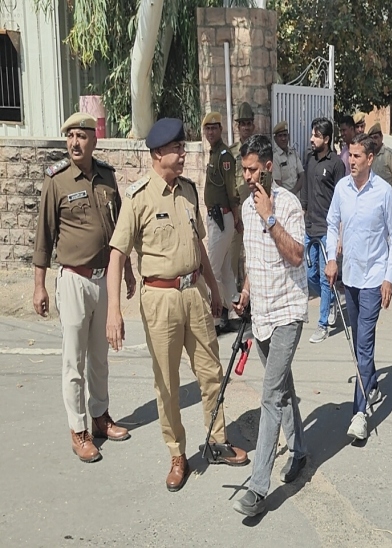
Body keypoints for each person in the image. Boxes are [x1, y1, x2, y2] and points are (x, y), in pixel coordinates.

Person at [106, 118, 248, 492]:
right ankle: (177, 454)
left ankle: (217, 440)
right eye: (177, 148)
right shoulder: (138, 198)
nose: (184, 153)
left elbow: (199, 244)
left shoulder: (188, 191)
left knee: (211, 371)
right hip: (160, 299)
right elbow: (117, 254)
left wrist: (213, 289)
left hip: (194, 293)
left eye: (183, 147)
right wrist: (114, 311)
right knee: (167, 383)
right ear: (158, 154)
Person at [33, 112, 134, 463]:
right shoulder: (56, 180)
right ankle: (78, 429)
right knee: (73, 360)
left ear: (94, 139)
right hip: (74, 279)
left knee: (100, 356)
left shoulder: (106, 176)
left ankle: (100, 416)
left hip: (104, 278)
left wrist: (128, 271)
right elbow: (44, 237)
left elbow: (119, 230)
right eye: (70, 136)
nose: (74, 143)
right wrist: (39, 286)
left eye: (81, 136)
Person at [231, 135, 309, 518]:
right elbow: (254, 258)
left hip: (287, 311)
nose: (247, 176)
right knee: (283, 389)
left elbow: (296, 256)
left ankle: (258, 489)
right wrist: (246, 291)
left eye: (252, 169)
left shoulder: (288, 204)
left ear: (267, 166)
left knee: (270, 395)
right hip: (261, 313)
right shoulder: (247, 207)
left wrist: (270, 217)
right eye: (243, 169)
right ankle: (300, 450)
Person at [325, 132, 392, 440]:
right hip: (350, 277)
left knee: (364, 344)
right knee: (359, 341)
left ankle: (360, 413)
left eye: (357, 156)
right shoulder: (342, 188)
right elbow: (332, 224)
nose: (351, 161)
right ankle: (370, 382)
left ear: (370, 159)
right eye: (350, 155)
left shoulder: (383, 192)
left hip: (373, 279)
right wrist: (331, 259)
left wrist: (388, 278)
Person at [300, 117, 346, 343]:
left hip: (328, 229)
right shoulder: (309, 158)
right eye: (312, 134)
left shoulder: (336, 164)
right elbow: (305, 188)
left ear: (326, 139)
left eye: (316, 136)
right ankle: (332, 300)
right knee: (310, 275)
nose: (312, 139)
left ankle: (322, 324)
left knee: (326, 276)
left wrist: (340, 235)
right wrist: (303, 211)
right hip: (309, 226)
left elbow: (342, 199)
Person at [202, 111, 240, 334]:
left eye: (214, 128)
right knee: (225, 270)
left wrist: (236, 217)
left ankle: (215, 318)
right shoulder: (214, 153)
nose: (210, 132)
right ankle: (234, 312)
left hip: (222, 218)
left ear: (220, 130)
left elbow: (231, 189)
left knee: (212, 269)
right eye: (207, 129)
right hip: (216, 217)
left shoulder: (224, 156)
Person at [229, 102, 257, 289]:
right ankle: (233, 295)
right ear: (237, 127)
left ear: (253, 126)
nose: (246, 127)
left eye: (248, 123)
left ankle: (251, 294)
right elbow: (228, 182)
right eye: (242, 124)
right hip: (237, 210)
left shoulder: (259, 150)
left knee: (254, 252)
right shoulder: (231, 152)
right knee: (233, 253)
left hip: (256, 208)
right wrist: (234, 213)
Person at [368, 123, 392, 214]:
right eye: (371, 138)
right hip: (371, 200)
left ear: (381, 137)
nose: (374, 141)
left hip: (386, 200)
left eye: (376, 137)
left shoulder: (389, 154)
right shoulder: (368, 155)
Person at [272, 120, 305, 196]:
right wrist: (289, 195)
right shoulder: (275, 157)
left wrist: (294, 191)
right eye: (280, 136)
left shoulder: (293, 153)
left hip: (296, 196)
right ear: (275, 139)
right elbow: (277, 183)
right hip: (283, 198)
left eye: (285, 135)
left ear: (289, 136)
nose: (283, 138)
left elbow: (302, 175)